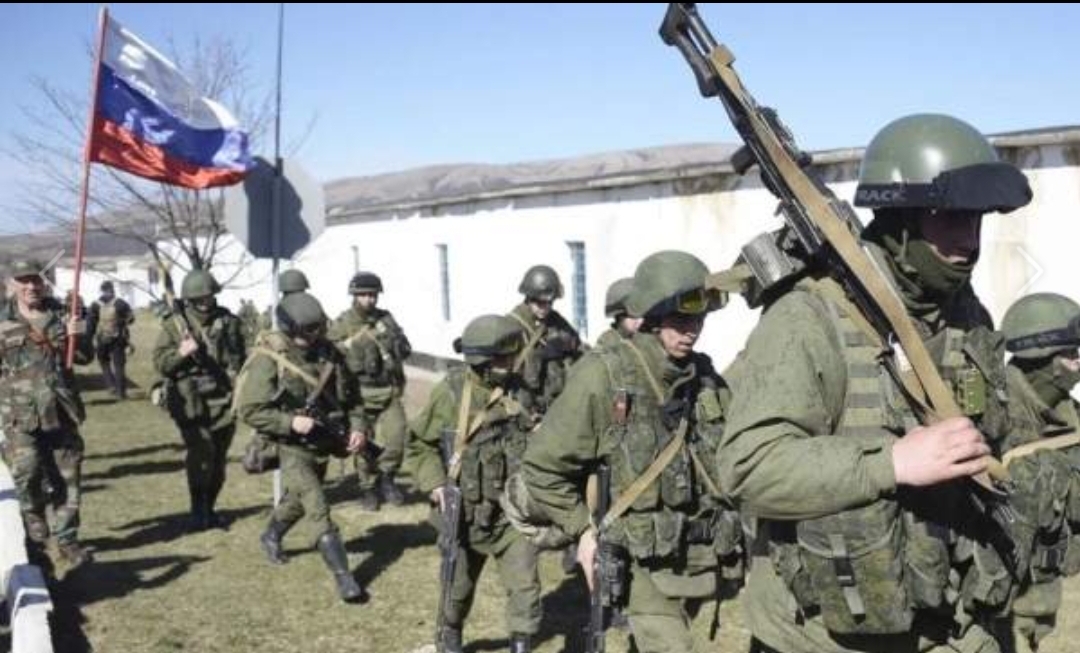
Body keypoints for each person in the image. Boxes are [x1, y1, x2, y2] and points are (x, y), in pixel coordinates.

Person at [716, 113, 1034, 653]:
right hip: (823, 635)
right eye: (950, 219)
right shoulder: (809, 317)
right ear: (901, 219)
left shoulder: (963, 313)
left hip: (949, 617)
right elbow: (747, 466)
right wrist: (892, 463)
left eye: (977, 219)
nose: (969, 241)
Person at [521, 251, 742, 653]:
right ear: (652, 316)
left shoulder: (704, 375)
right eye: (681, 319)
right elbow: (541, 465)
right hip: (636, 559)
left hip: (697, 558)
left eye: (700, 319)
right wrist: (583, 531)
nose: (693, 330)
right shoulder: (604, 375)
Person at [408, 314, 540, 653]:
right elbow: (419, 444)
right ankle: (450, 636)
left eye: (512, 356)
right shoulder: (450, 393)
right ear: (482, 360)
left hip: (511, 515)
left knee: (525, 588)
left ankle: (521, 644)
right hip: (464, 516)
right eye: (503, 358)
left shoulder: (520, 392)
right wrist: (435, 484)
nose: (512, 364)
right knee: (456, 590)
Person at [235, 291, 370, 603]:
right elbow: (250, 410)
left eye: (317, 330)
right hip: (290, 446)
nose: (313, 338)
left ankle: (271, 534)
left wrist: (358, 428)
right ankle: (345, 578)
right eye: (306, 333)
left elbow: (353, 399)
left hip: (323, 442)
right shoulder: (269, 358)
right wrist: (290, 422)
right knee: (317, 504)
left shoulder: (330, 354)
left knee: (297, 501)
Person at [995, 293, 1080, 653]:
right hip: (995, 610)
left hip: (1043, 605)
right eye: (1072, 354)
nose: (1079, 362)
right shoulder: (995, 420)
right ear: (1044, 358)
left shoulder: (1069, 415)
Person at [0, 259, 92, 566]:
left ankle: (68, 541)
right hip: (19, 417)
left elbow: (84, 357)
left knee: (68, 478)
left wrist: (79, 334)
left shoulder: (63, 315)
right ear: (12, 284)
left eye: (36, 280)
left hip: (60, 412)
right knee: (27, 475)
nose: (31, 286)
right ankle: (35, 534)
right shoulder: (2, 321)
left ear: (43, 282)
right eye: (23, 280)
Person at [152, 269, 246, 531]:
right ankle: (197, 510)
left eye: (208, 296)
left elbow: (240, 356)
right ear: (190, 299)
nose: (205, 302)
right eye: (199, 299)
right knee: (201, 453)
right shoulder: (174, 325)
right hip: (190, 399)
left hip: (223, 397)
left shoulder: (228, 321)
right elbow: (161, 364)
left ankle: (210, 508)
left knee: (219, 458)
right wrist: (182, 353)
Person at [328, 271, 412, 511]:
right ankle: (367, 488)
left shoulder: (386, 319)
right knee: (362, 443)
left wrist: (395, 340)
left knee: (397, 437)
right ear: (354, 296)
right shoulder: (342, 323)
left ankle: (387, 478)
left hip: (388, 390)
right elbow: (330, 358)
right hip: (359, 395)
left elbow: (405, 348)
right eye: (363, 294)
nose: (369, 299)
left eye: (373, 295)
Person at [506, 264, 584, 418]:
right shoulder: (512, 325)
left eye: (550, 302)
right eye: (540, 303)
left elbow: (579, 348)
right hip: (526, 410)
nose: (545, 307)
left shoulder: (555, 320)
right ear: (529, 298)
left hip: (558, 406)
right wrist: (539, 355)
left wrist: (565, 345)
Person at [89, 280, 135, 399]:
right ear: (112, 289)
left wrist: (89, 338)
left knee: (104, 362)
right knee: (119, 365)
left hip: (102, 338)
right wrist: (123, 322)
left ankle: (110, 385)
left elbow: (91, 325)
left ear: (101, 290)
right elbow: (131, 319)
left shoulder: (95, 304)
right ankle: (121, 393)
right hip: (118, 338)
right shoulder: (120, 303)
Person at [595, 277, 641, 349]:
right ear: (619, 316)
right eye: (633, 316)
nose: (640, 321)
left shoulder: (649, 339)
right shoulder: (608, 344)